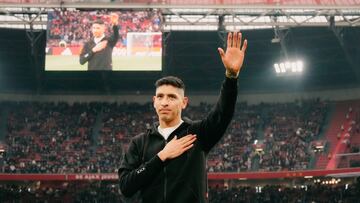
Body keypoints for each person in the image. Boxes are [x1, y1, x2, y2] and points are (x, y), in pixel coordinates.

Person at [118, 32, 247, 203]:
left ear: (184, 102)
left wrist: (231, 77)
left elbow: (223, 113)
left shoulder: (198, 134)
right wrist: (161, 157)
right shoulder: (139, 143)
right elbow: (126, 186)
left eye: (172, 97)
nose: (165, 102)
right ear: (154, 102)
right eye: (161, 97)